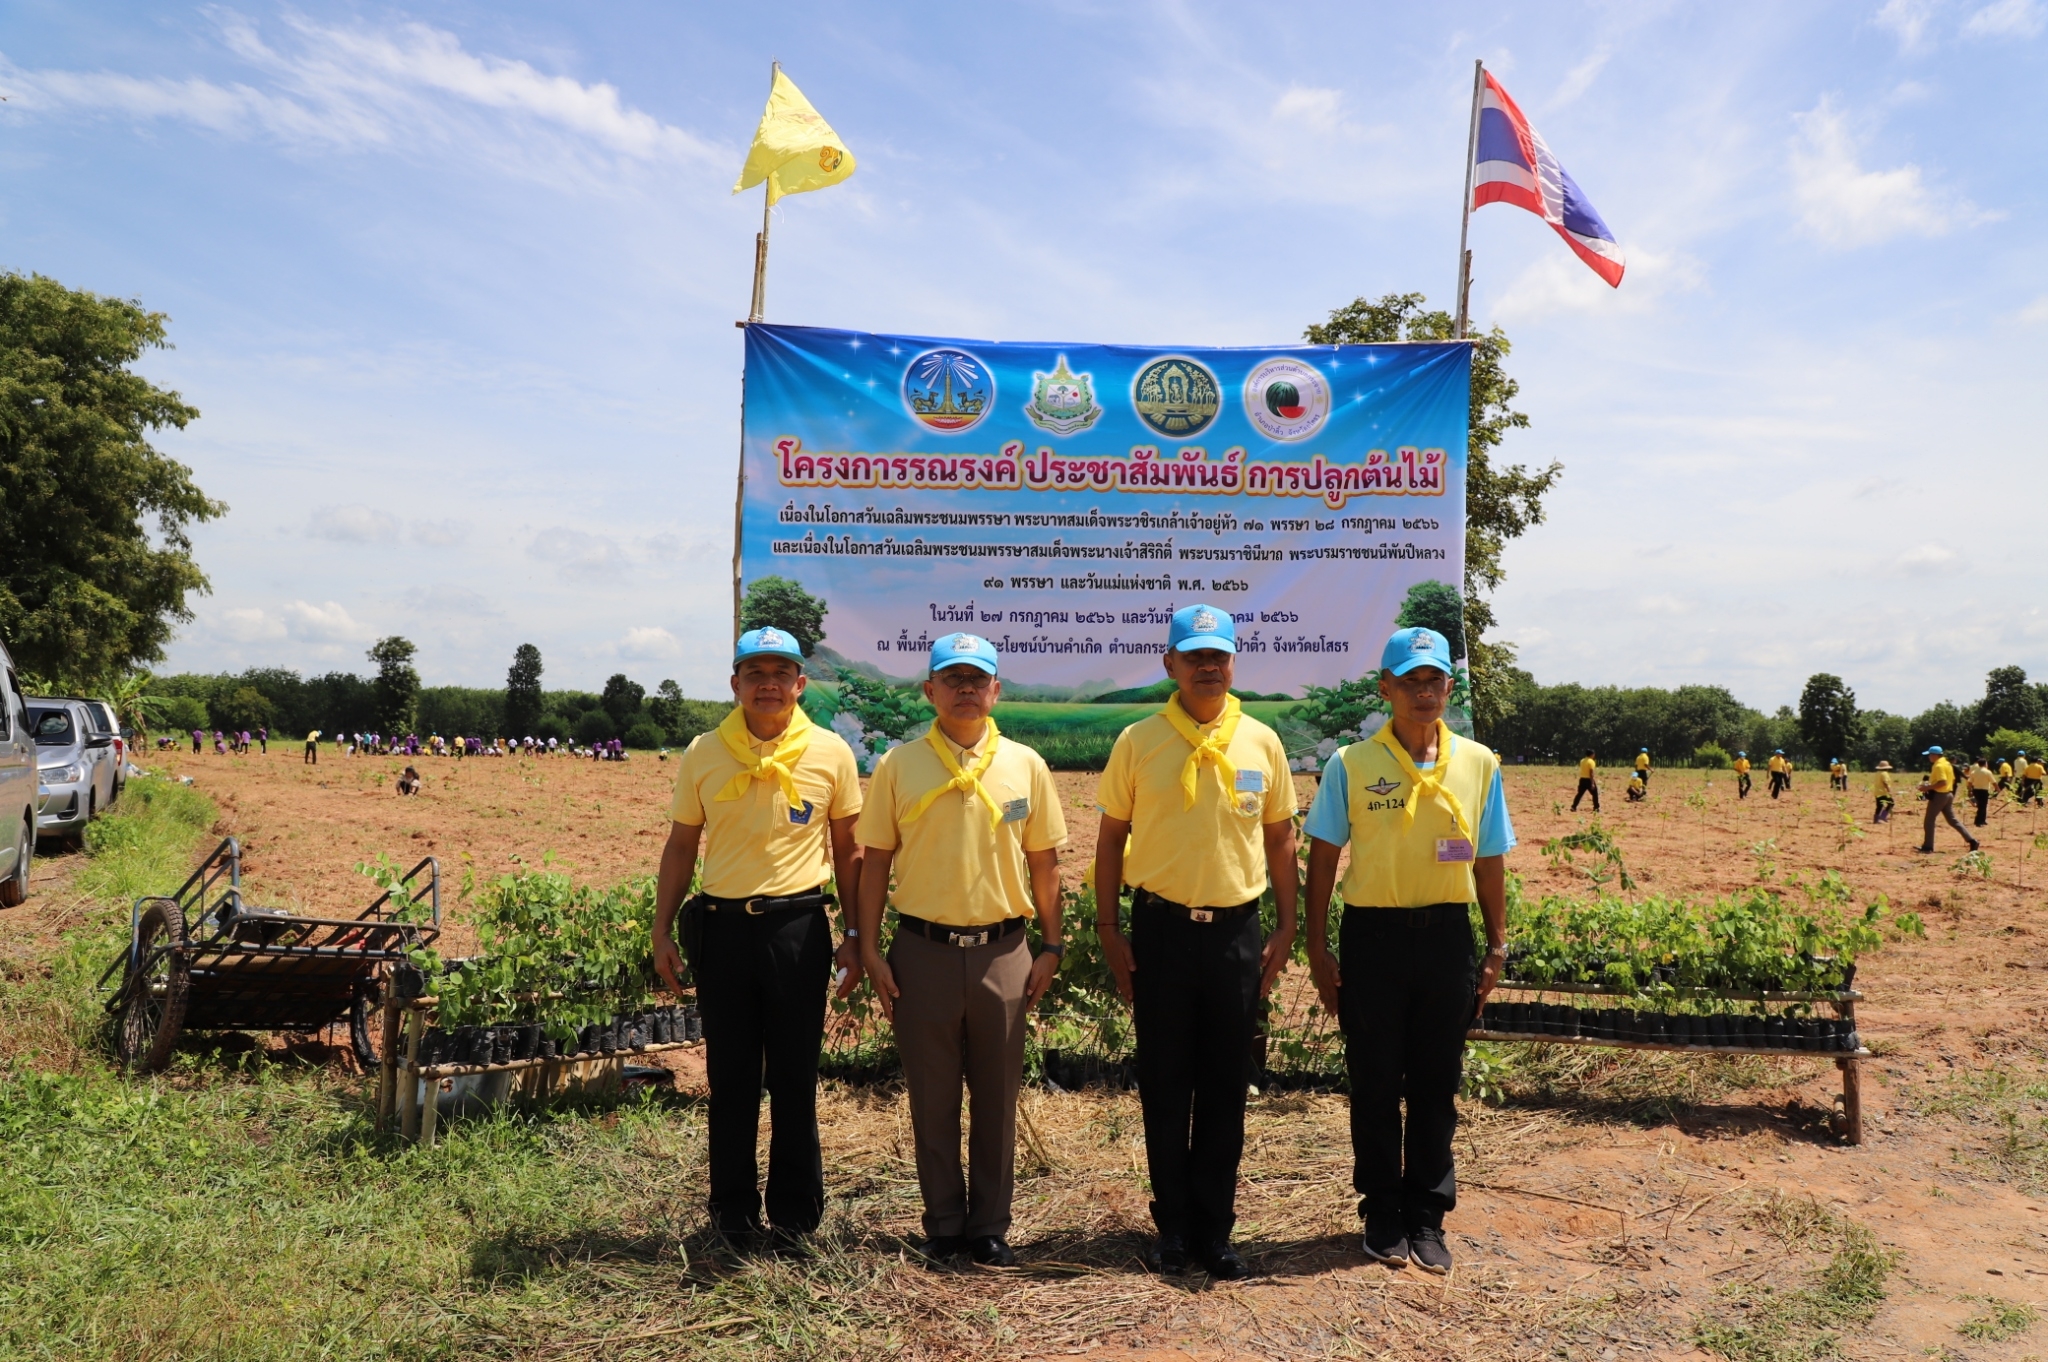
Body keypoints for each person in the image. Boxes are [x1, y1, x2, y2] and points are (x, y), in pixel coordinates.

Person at [1093, 604, 1298, 1281]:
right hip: (1161, 931)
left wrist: (1289, 925)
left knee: (1223, 1086)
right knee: (1165, 1081)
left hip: (1237, 932)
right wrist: (1108, 928)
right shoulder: (1139, 740)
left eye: (1220, 655)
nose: (1209, 666)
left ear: (1233, 662)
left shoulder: (1261, 742)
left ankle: (1217, 1230)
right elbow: (1110, 840)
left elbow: (1279, 839)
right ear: (1170, 664)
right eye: (1195, 656)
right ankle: (1172, 1228)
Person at [1303, 626, 1515, 1277]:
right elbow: (1323, 858)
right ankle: (1382, 1210)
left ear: (1450, 688)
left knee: (1435, 1082)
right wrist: (1318, 947)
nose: (1424, 692)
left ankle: (1427, 1213)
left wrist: (1497, 943)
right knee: (1373, 1081)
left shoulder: (1479, 763)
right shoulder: (1351, 765)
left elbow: (1488, 860)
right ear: (1385, 689)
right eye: (1410, 681)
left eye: (1434, 681)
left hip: (1448, 937)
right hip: (1374, 939)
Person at [855, 632, 1066, 1268]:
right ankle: (944, 1223)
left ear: (996, 690)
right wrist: (869, 948)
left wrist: (1051, 946)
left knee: (998, 1098)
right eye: (953, 679)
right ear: (930, 691)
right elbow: (874, 864)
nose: (966, 689)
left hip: (1005, 952)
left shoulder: (1024, 764)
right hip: (923, 950)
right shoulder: (898, 765)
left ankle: (989, 1227)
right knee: (933, 1094)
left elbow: (1046, 864)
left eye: (978, 679)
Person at [651, 627, 864, 1251]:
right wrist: (661, 930)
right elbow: (682, 844)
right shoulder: (703, 751)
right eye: (755, 672)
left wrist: (853, 934)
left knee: (796, 1076)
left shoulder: (830, 753)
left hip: (797, 929)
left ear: (800, 683)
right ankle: (733, 1214)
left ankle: (797, 1218)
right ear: (736, 683)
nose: (768, 682)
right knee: (732, 1076)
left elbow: (847, 850)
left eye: (782, 672)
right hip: (721, 931)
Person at [1918, 746, 1979, 854]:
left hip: (1939, 796)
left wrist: (1926, 788)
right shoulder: (1947, 764)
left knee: (1929, 821)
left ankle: (1928, 847)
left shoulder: (1938, 766)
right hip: (1948, 794)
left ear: (1934, 755)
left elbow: (1943, 782)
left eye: (1930, 755)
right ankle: (1972, 841)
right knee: (1953, 820)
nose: (1929, 757)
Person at [1967, 759, 1996, 827]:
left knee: (1982, 806)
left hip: (1976, 790)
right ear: (1985, 764)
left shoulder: (1974, 772)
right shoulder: (1987, 772)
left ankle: (1983, 820)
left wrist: (1970, 791)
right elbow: (1994, 782)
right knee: (1982, 806)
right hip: (1984, 791)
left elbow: (1970, 782)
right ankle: (1978, 822)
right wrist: (1998, 789)